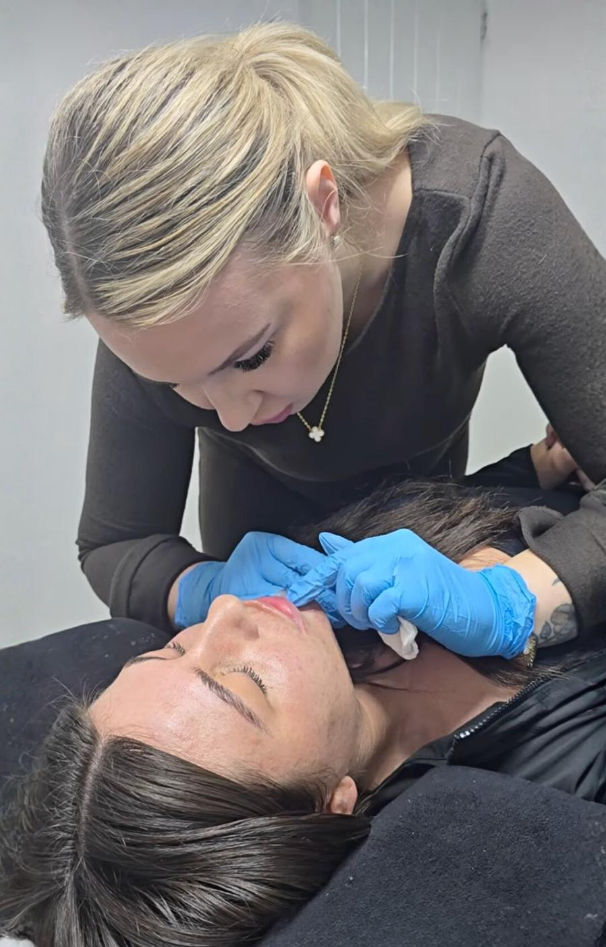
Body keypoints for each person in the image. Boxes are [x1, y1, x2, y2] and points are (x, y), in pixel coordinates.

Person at [41, 24, 605, 667]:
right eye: (177, 385)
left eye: (252, 357)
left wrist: (511, 603)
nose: (229, 419)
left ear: (324, 206)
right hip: (255, 536)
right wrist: (202, 588)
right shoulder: (158, 313)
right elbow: (116, 543)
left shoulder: (482, 216)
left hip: (433, 516)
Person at [2, 479, 605, 947]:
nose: (227, 611)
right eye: (246, 681)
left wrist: (544, 463)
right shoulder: (567, 779)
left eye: (173, 648)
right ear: (327, 804)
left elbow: (497, 494)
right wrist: (537, 596)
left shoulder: (343, 594)